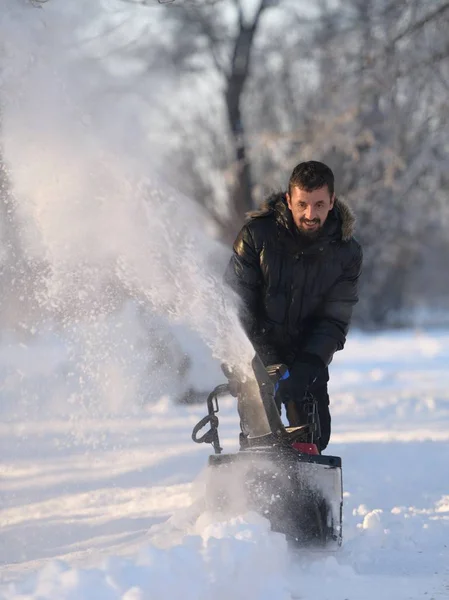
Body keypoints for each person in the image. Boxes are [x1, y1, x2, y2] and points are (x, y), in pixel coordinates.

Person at [225, 161, 362, 451]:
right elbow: (236, 306)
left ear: (332, 201)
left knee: (313, 441)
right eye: (302, 204)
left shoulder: (347, 252)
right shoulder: (255, 236)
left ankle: (308, 494)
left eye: (319, 205)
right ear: (289, 200)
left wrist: (307, 367)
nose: (310, 214)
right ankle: (254, 491)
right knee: (260, 439)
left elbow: (335, 319)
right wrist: (263, 364)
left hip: (307, 355)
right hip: (257, 353)